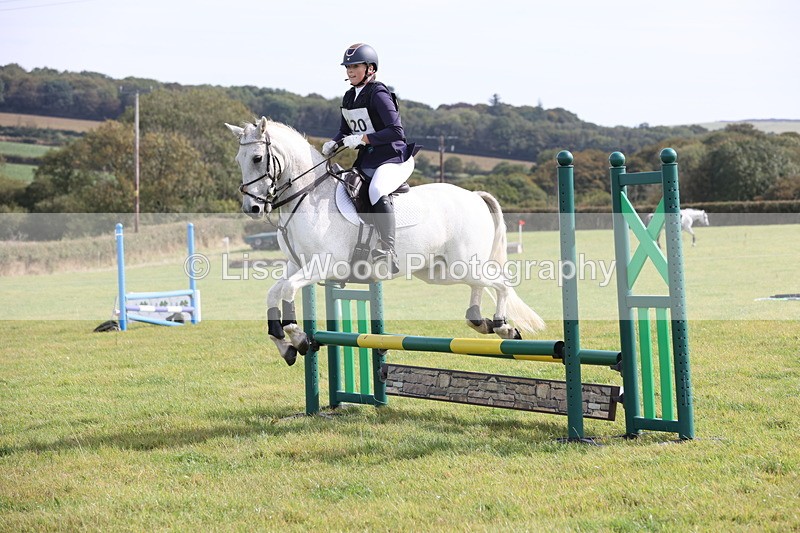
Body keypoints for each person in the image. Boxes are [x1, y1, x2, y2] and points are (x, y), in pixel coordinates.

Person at [322, 43, 417, 274]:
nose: (350, 71)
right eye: (348, 67)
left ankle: (388, 249)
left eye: (355, 66)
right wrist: (334, 141)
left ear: (370, 68)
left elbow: (397, 132)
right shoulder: (349, 96)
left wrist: (364, 139)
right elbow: (345, 130)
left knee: (376, 190)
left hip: (394, 157)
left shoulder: (379, 93)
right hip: (369, 160)